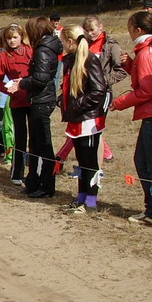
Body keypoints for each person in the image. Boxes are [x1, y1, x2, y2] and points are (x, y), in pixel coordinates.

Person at [111, 11, 152, 224]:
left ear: (138, 29)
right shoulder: (146, 51)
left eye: (129, 27)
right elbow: (145, 78)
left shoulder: (147, 53)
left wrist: (119, 103)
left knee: (150, 163)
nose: (128, 32)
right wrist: (130, 65)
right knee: (143, 160)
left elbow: (146, 90)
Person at [56, 16, 128, 165]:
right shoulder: (79, 49)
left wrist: (103, 81)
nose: (90, 33)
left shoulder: (109, 45)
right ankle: (100, 159)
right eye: (87, 30)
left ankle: (93, 165)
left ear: (100, 27)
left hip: (97, 97)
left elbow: (119, 71)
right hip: (83, 99)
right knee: (83, 139)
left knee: (94, 133)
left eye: (92, 30)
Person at [6, 17, 61, 198]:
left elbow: (41, 78)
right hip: (39, 99)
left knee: (43, 144)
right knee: (35, 144)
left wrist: (22, 83)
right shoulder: (44, 47)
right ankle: (33, 181)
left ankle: (46, 185)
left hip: (42, 100)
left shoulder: (43, 50)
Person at [58, 25, 110, 214]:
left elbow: (98, 91)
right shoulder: (71, 61)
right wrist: (62, 101)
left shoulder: (90, 60)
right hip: (76, 119)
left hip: (89, 120)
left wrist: (77, 104)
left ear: (70, 42)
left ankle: (90, 202)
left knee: (90, 161)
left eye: (63, 41)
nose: (62, 45)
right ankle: (80, 197)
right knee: (81, 159)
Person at [0, 24, 33, 183]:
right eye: (9, 38)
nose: (12, 41)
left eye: (15, 37)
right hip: (16, 101)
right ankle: (17, 172)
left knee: (35, 136)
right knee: (20, 136)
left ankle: (35, 170)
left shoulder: (30, 51)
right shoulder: (4, 57)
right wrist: (8, 88)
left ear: (21, 37)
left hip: (32, 98)